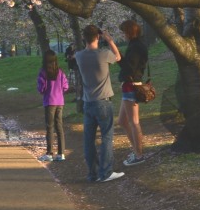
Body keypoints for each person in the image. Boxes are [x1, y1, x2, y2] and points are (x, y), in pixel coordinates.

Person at [71, 24, 124, 183]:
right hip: (103, 102)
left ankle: (92, 173)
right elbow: (118, 56)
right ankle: (106, 172)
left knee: (89, 139)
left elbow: (75, 54)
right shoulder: (104, 54)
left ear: (84, 38)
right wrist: (109, 40)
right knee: (106, 137)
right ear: (98, 37)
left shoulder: (79, 56)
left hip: (88, 102)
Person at [117, 18, 152, 166]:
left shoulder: (136, 47)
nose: (123, 35)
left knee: (133, 122)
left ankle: (139, 154)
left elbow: (129, 67)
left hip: (131, 86)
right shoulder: (137, 45)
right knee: (122, 121)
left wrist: (116, 54)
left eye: (124, 32)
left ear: (129, 32)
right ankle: (137, 150)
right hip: (130, 86)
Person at [37, 51, 69, 162]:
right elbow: (65, 86)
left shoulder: (43, 72)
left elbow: (41, 88)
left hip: (49, 102)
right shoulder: (60, 72)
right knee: (59, 127)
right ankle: (61, 153)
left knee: (49, 127)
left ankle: (50, 153)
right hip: (60, 102)